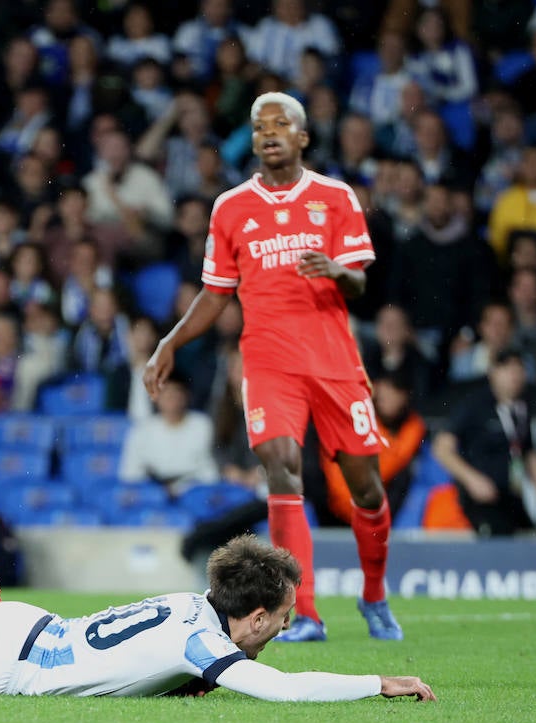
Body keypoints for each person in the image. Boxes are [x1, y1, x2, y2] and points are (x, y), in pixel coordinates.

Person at [143, 92, 401, 643]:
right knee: (282, 469)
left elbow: (359, 279)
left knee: (367, 489)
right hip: (267, 359)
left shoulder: (334, 197)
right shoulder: (231, 206)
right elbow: (215, 296)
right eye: (260, 125)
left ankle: (374, 594)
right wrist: (169, 341)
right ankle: (304, 613)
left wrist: (334, 268)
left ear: (303, 137)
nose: (269, 132)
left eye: (282, 123)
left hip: (333, 359)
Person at [0, 535, 435, 702]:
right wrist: (379, 683)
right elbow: (283, 690)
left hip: (17, 635)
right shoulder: (201, 642)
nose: (288, 629)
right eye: (286, 618)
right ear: (256, 616)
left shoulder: (189, 606)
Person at [433, 349, 536, 536]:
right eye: (507, 369)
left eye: (518, 369)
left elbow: (530, 456)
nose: (514, 375)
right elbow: (442, 448)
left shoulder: (524, 406)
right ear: (493, 372)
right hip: (480, 499)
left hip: (513, 494)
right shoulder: (475, 405)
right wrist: (472, 480)